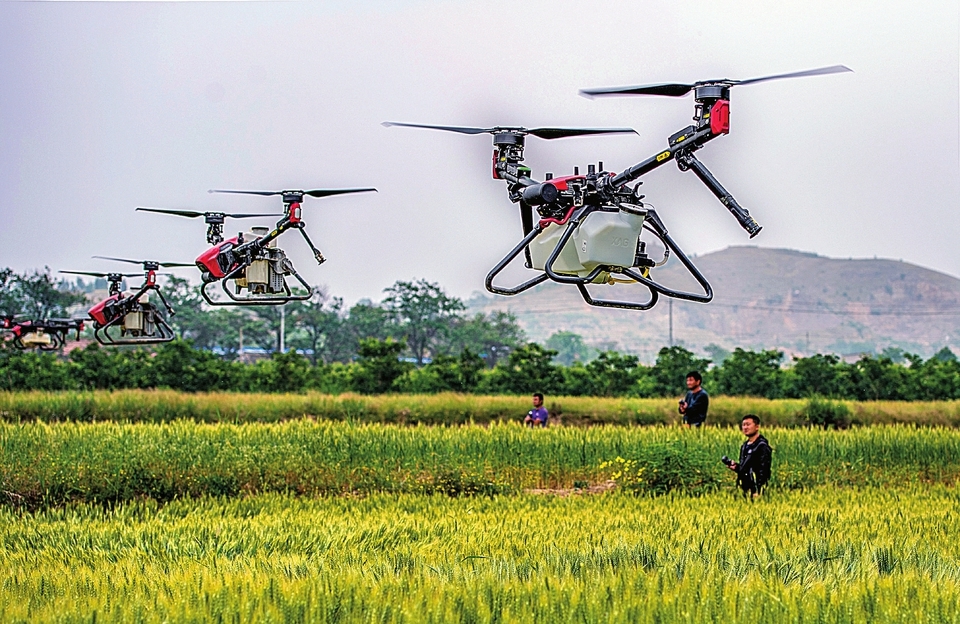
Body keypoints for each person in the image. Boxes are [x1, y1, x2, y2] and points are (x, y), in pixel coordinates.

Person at [726, 414, 772, 498]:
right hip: (745, 488)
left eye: (748, 424)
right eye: (743, 425)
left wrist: (759, 490)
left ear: (757, 427)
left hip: (756, 489)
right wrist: (736, 467)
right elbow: (745, 468)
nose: (745, 427)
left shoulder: (762, 446)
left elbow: (764, 469)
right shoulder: (744, 446)